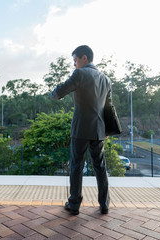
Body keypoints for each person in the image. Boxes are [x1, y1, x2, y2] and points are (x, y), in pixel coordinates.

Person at [51, 45, 111, 215]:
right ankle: (104, 204)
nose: (74, 64)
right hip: (99, 129)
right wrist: (106, 128)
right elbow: (109, 106)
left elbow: (61, 91)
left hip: (80, 129)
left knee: (77, 165)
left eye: (75, 60)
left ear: (84, 57)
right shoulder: (105, 79)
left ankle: (74, 204)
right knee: (100, 167)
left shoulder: (80, 73)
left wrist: (53, 94)